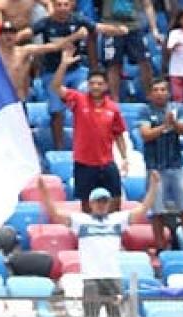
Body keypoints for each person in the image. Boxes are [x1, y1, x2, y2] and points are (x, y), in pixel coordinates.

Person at [41, 174, 159, 317]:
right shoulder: (81, 221)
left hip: (113, 276)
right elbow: (55, 214)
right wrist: (44, 193)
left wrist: (154, 187)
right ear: (91, 203)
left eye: (104, 201)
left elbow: (143, 209)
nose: (101, 205)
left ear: (109, 203)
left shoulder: (117, 220)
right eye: (98, 201)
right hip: (91, 277)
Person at [32, 0, 121, 150]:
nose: (62, 8)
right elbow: (28, 34)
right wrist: (76, 36)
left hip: (76, 71)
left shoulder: (78, 19)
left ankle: (91, 142)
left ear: (71, 6)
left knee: (89, 95)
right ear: (53, 6)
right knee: (56, 110)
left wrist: (120, 30)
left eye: (65, 4)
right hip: (53, 72)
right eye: (59, 5)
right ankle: (59, 149)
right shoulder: (45, 23)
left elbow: (99, 27)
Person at [54, 45, 130, 212]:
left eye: (99, 84)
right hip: (84, 163)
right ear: (88, 85)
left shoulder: (113, 108)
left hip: (106, 162)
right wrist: (63, 64)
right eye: (92, 83)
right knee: (86, 205)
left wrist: (125, 158)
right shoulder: (78, 100)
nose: (95, 86)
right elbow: (56, 87)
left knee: (115, 200)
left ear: (106, 86)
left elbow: (118, 134)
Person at [139, 79, 183, 252]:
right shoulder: (145, 111)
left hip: (176, 165)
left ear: (168, 92)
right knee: (157, 210)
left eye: (163, 89)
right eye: (156, 90)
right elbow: (145, 134)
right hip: (154, 167)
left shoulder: (179, 108)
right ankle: (160, 247)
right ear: (150, 94)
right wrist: (165, 125)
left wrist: (174, 123)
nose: (159, 93)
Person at [99, 0, 158, 101]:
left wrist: (154, 29)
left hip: (134, 27)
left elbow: (147, 5)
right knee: (113, 65)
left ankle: (151, 98)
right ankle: (114, 101)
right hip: (111, 28)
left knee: (145, 62)